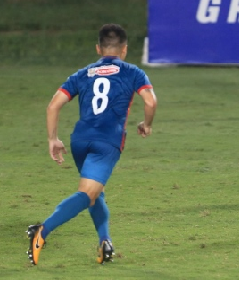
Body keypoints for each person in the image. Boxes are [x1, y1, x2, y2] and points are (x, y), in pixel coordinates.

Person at [27, 24, 157, 265]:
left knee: (96, 194)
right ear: (125, 49)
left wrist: (53, 138)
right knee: (88, 194)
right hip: (107, 143)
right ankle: (42, 231)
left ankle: (105, 242)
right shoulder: (133, 72)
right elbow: (150, 102)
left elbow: (53, 106)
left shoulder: (82, 73)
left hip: (80, 141)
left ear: (98, 48)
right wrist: (146, 124)